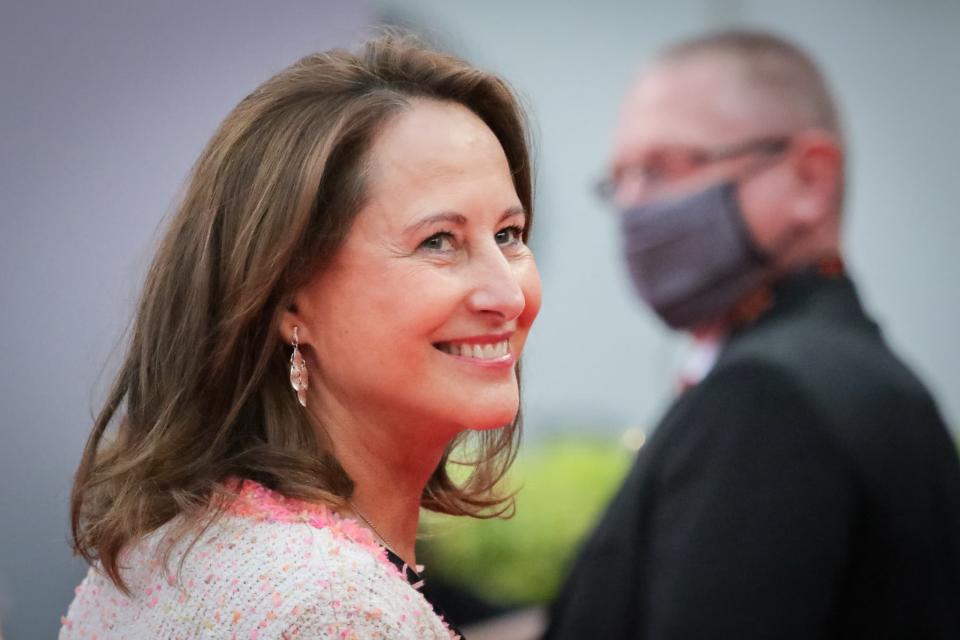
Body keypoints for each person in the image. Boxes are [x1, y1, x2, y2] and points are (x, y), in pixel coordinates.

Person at [61, 33, 541, 639]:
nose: (508, 295)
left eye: (509, 234)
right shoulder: (336, 610)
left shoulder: (156, 553)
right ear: (288, 296)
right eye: (438, 241)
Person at [546, 30, 960, 639]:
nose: (634, 208)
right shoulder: (866, 377)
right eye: (621, 180)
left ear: (809, 180)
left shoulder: (767, 401)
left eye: (662, 167)